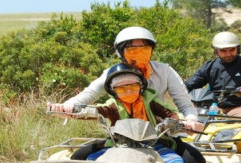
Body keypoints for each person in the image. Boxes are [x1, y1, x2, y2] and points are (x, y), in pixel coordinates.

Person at [48, 26, 203, 132]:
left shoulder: (165, 71)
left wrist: (190, 121)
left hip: (160, 132)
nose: (139, 54)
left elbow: (184, 104)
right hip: (123, 134)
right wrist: (67, 106)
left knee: (192, 159)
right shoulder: (113, 74)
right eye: (132, 49)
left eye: (144, 49)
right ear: (121, 52)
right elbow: (90, 94)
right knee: (81, 156)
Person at [69, 63, 206, 163]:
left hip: (153, 142)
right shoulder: (112, 105)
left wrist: (185, 123)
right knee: (84, 159)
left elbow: (170, 114)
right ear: (113, 91)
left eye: (132, 87)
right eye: (122, 89)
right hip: (119, 143)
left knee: (176, 162)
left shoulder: (151, 101)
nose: (128, 91)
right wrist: (72, 112)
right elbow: (97, 111)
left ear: (141, 87)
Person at [184, 31, 241, 120]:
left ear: (238, 49)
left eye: (232, 50)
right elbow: (190, 85)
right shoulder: (209, 67)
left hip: (240, 108)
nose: (228, 54)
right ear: (216, 51)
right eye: (223, 51)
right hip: (212, 108)